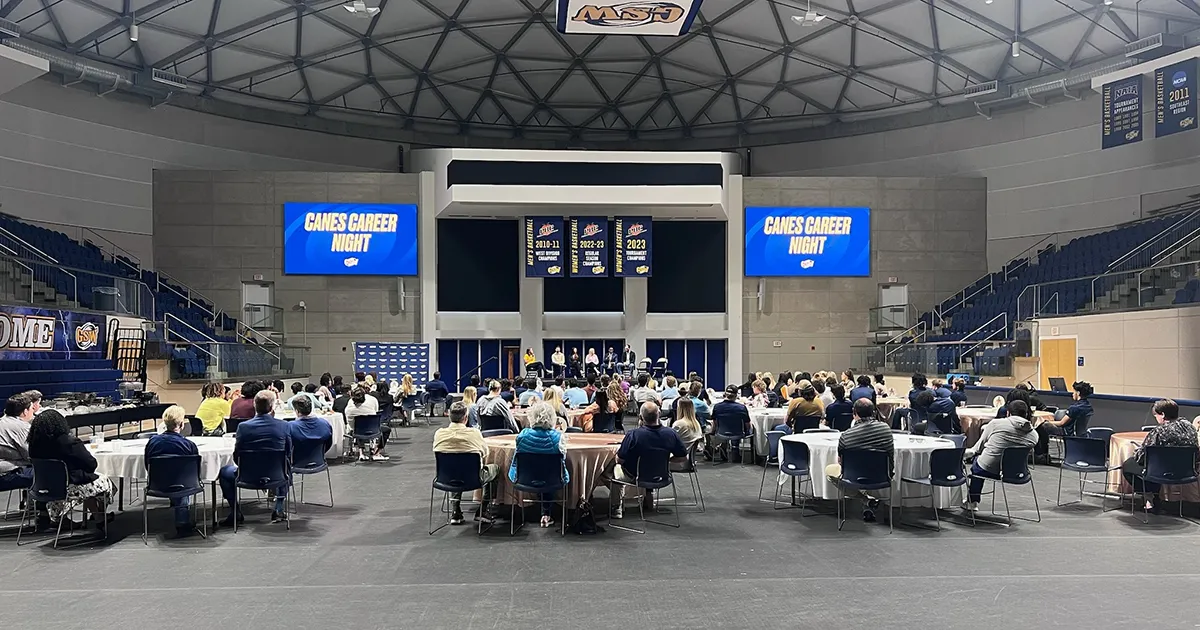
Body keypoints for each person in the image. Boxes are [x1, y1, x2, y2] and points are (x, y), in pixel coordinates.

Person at [26, 409, 116, 528]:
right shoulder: (69, 442)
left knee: (86, 484)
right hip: (68, 486)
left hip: (43, 486)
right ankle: (99, 515)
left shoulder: (34, 446)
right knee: (96, 482)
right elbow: (91, 464)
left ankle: (96, 517)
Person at [217, 390, 291, 525]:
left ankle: (235, 512)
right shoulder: (284, 426)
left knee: (224, 472)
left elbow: (237, 454)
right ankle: (279, 508)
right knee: (285, 465)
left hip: (246, 475)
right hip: (277, 474)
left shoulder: (243, 427)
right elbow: (288, 451)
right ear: (272, 407)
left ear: (255, 406)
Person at [608, 402, 687, 519]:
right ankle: (648, 496)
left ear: (641, 418)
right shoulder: (671, 434)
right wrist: (665, 462)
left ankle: (616, 507)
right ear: (658, 415)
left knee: (615, 471)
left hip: (636, 475)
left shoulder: (633, 435)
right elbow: (683, 458)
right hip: (662, 475)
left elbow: (620, 460)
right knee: (649, 467)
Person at [1122, 399, 1199, 513]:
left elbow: (1143, 456)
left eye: (1156, 415)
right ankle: (1154, 497)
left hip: (1162, 471)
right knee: (1154, 465)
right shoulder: (1189, 427)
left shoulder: (1159, 431)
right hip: (1186, 471)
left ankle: (1150, 498)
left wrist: (1136, 452)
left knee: (1129, 466)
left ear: (1162, 415)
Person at [824, 399, 893, 523]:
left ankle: (865, 499)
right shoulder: (886, 429)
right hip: (882, 475)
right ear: (873, 412)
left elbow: (841, 462)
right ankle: (867, 503)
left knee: (830, 471)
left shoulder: (847, 435)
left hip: (854, 475)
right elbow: (891, 456)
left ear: (854, 413)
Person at [962, 399, 1038, 512]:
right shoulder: (1034, 435)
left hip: (989, 469)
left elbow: (977, 448)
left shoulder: (995, 424)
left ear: (1008, 413)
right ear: (1026, 414)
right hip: (1016, 472)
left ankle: (972, 501)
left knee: (978, 462)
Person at [433, 401, 498, 525]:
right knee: (495, 468)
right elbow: (485, 453)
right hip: (474, 478)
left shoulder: (439, 433)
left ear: (449, 416)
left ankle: (455, 511)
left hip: (445, 478)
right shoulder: (474, 433)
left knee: (454, 469)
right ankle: (483, 509)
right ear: (466, 418)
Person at [510, 402, 568, 528]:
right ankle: (547, 513)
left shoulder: (522, 436)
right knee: (549, 471)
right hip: (553, 479)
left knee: (540, 470)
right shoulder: (559, 438)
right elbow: (563, 457)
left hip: (525, 478)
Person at [145, 405, 199, 535]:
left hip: (157, 483)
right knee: (183, 481)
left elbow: (147, 464)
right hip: (183, 484)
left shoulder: (152, 442)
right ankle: (182, 522)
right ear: (181, 424)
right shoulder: (188, 445)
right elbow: (194, 469)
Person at [1034, 381, 1093, 464]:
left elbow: (1062, 423)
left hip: (1068, 431)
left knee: (1042, 426)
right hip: (1080, 433)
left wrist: (1048, 421)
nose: (1072, 394)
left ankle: (1041, 454)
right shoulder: (1088, 406)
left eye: (1073, 392)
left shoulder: (1075, 408)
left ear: (1078, 393)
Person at [0, 393, 37, 521]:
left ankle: (35, 507)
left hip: (5, 469)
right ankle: (46, 515)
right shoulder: (19, 426)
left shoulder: (3, 422)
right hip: (6, 474)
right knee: (52, 473)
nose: (34, 412)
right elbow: (32, 454)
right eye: (32, 409)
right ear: (25, 411)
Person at [345, 385, 389, 461]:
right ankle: (377, 452)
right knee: (386, 430)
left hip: (356, 431)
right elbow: (375, 412)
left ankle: (361, 453)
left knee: (357, 427)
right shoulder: (372, 400)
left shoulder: (349, 408)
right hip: (373, 430)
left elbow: (349, 422)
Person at [710, 385, 752, 463]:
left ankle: (723, 446)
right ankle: (735, 449)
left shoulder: (717, 407)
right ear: (736, 396)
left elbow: (715, 423)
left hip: (721, 433)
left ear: (725, 394)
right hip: (738, 433)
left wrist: (713, 432)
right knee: (741, 428)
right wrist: (747, 431)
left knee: (727, 426)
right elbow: (747, 424)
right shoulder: (742, 408)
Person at [287, 396, 333, 462]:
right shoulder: (325, 423)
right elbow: (328, 443)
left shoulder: (290, 426)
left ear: (296, 411)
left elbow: (287, 447)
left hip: (297, 463)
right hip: (319, 461)